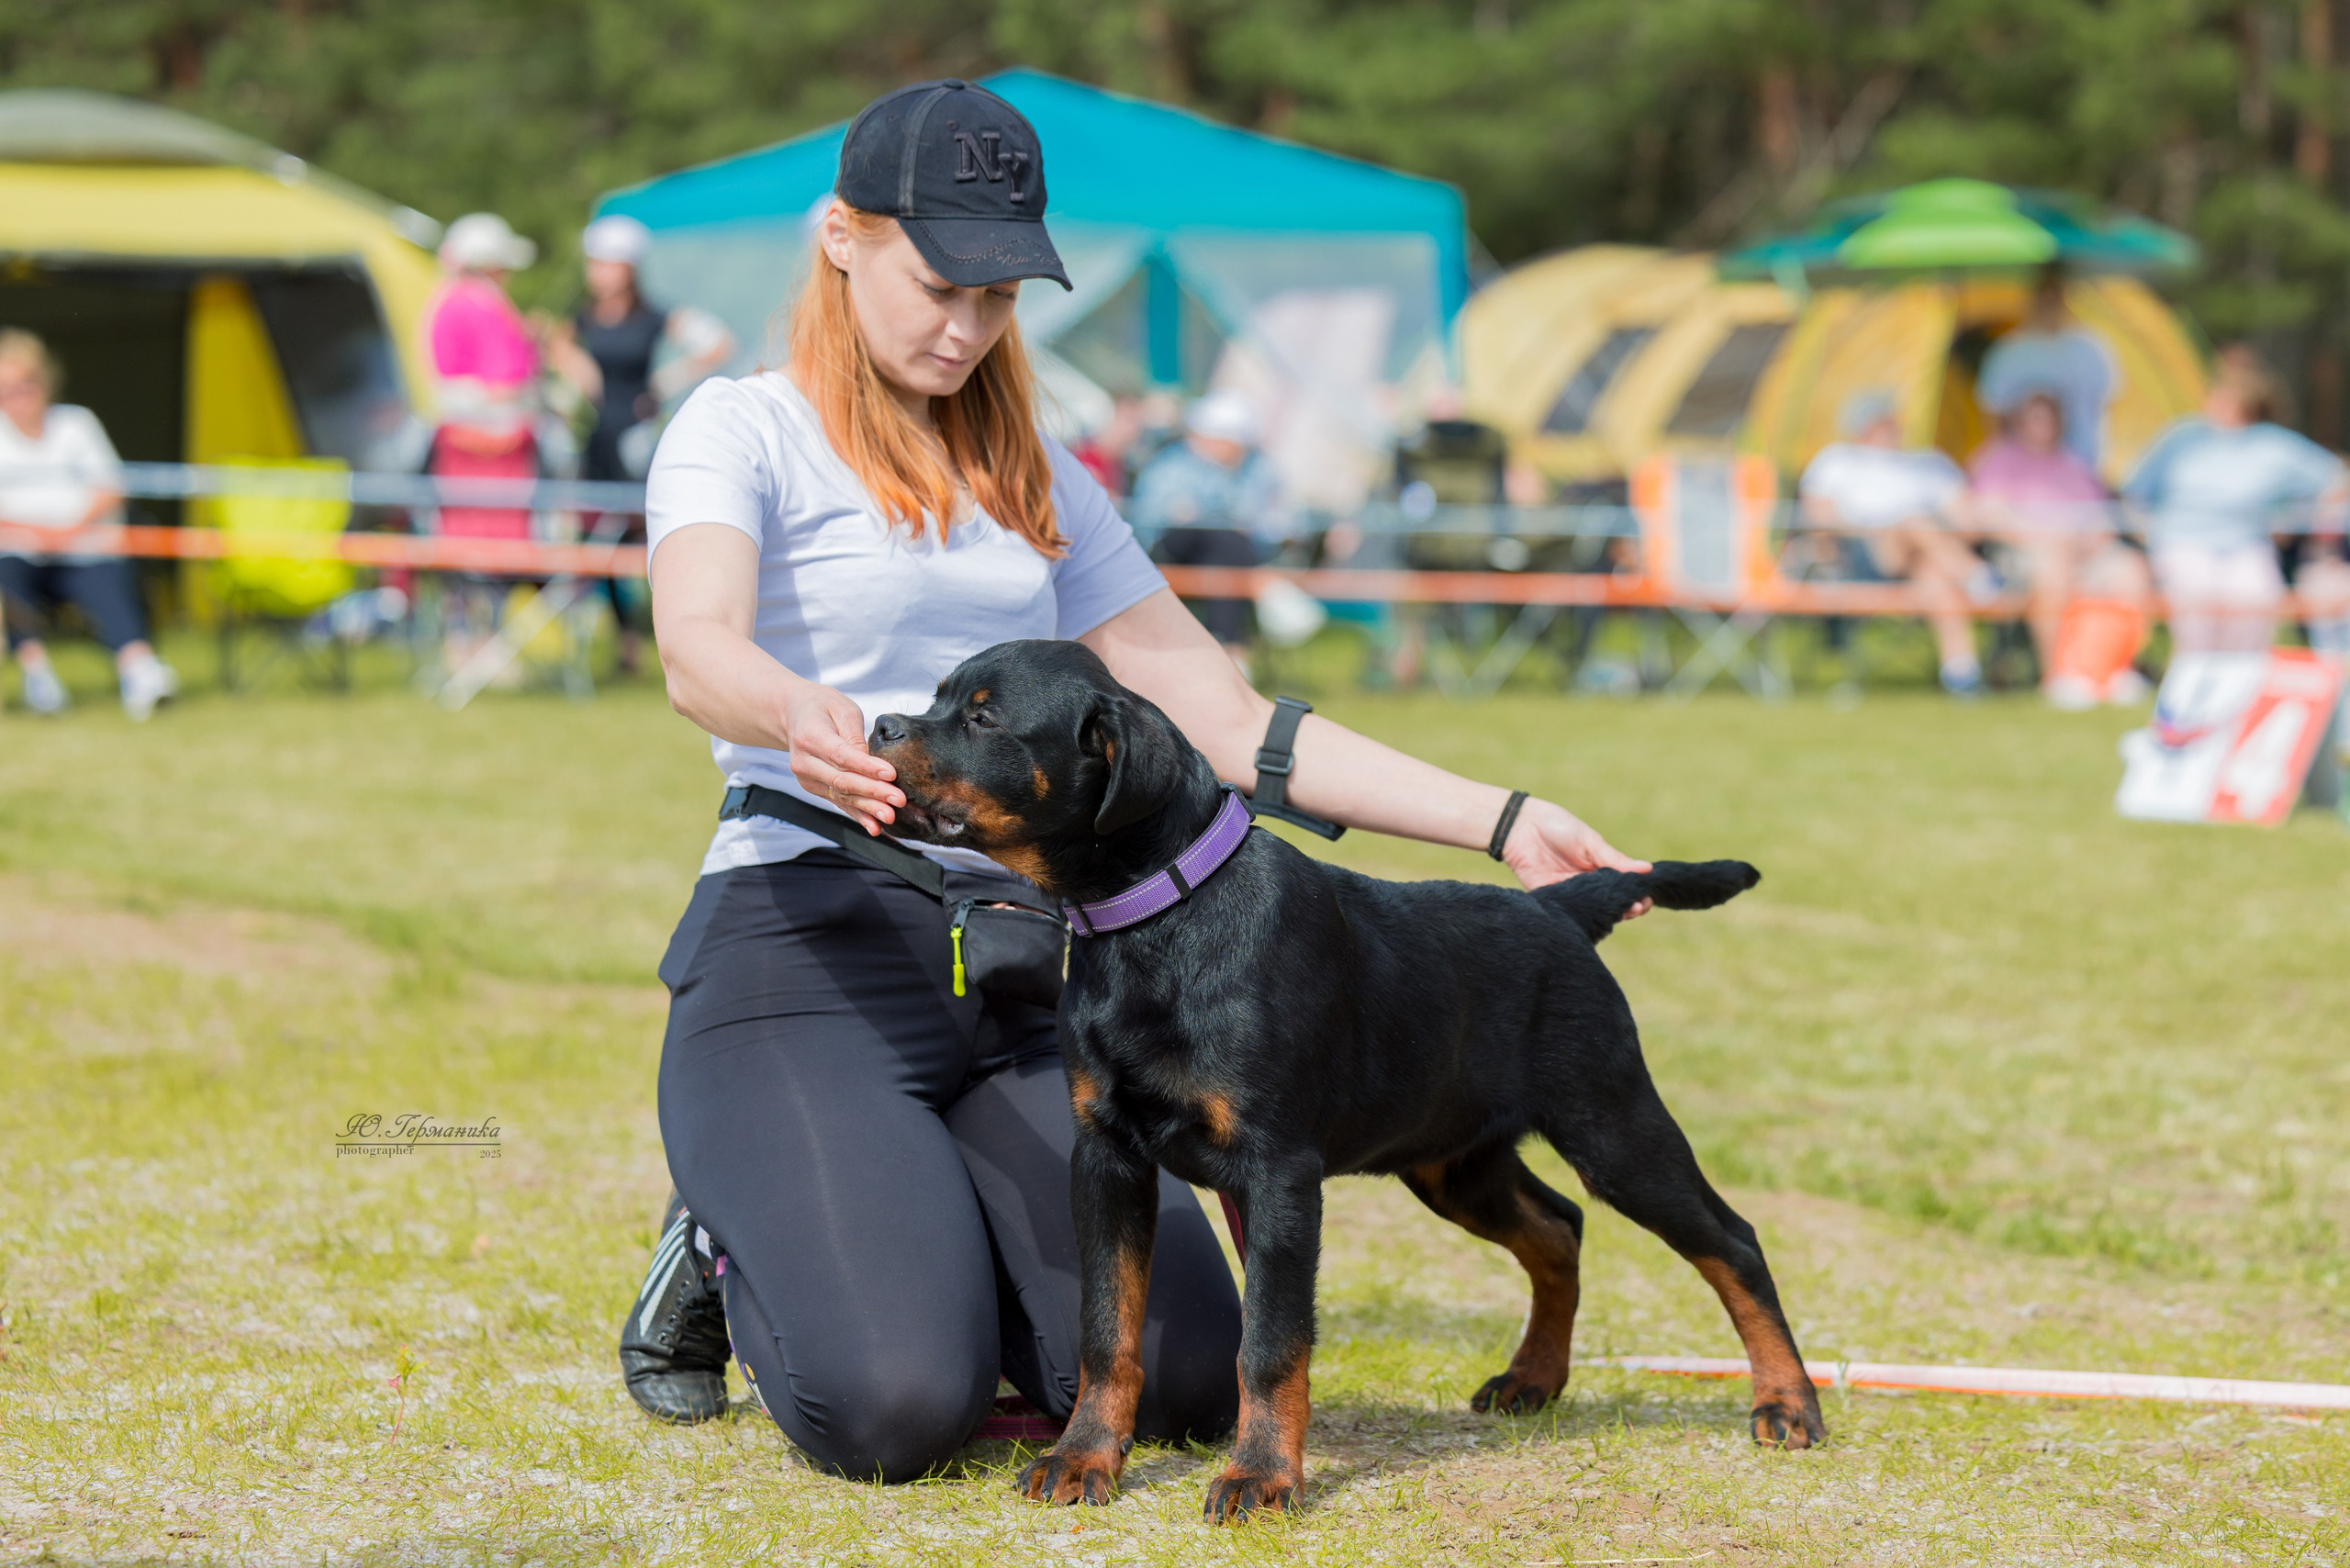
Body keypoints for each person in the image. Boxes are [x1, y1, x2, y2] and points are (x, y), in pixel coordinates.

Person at [621, 78, 1653, 1486]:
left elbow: (1225, 719)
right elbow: (696, 647)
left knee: (1173, 1386)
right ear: (842, 239)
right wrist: (790, 706)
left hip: (1024, 971)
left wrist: (1508, 823)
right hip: (807, 946)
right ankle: (724, 1231)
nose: (967, 328)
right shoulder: (740, 427)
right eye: (939, 286)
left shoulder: (1041, 476)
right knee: (894, 1407)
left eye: (999, 296)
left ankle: (901, 1218)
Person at [545, 214, 736, 675]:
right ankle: (624, 643)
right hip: (597, 440)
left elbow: (718, 344)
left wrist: (663, 384)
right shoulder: (582, 317)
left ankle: (680, 638)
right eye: (594, 263)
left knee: (651, 540)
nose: (598, 272)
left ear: (628, 268)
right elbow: (554, 345)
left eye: (607, 263)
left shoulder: (654, 317)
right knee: (598, 539)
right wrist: (579, 374)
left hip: (636, 444)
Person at [0, 330, 178, 719]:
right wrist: (38, 533)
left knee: (105, 575)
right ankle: (38, 676)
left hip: (82, 548)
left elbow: (112, 487)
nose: (18, 397)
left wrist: (68, 531)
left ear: (45, 380)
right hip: (19, 553)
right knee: (6, 576)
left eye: (26, 384)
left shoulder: (75, 424)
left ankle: (140, 669)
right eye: (7, 389)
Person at [2123, 348, 2346, 654]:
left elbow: (2334, 477)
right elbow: (2134, 492)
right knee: (2197, 593)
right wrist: (2146, 535)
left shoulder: (2271, 444)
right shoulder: (2183, 437)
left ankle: (2242, 672)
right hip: (2182, 541)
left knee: (2255, 593)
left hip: (2246, 544)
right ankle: (2197, 666)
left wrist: (2310, 525)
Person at [1966, 390, 2153, 706]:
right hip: (2025, 553)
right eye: (2035, 418)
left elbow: (2101, 513)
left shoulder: (2073, 462)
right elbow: (1987, 515)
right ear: (2018, 422)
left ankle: (2117, 669)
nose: (2044, 425)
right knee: (2053, 568)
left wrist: (2095, 537)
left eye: (2049, 418)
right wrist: (2044, 539)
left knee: (2130, 570)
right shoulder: (1999, 460)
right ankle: (2059, 674)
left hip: (2083, 552)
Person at [1797, 389, 1988, 694]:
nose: (1890, 427)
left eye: (1891, 420)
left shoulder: (1929, 462)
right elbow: (1820, 521)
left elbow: (1969, 522)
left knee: (1933, 571)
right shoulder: (1837, 460)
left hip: (1928, 554)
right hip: (1862, 554)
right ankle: (1976, 575)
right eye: (1880, 422)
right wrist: (1875, 528)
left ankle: (1961, 672)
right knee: (1914, 521)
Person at [423, 213, 542, 666]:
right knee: (486, 554)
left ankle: (472, 644)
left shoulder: (448, 301)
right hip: (490, 451)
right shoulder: (477, 304)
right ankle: (479, 646)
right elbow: (503, 382)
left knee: (469, 553)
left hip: (473, 448)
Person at [1129, 391, 1286, 672]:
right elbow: (1148, 520)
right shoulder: (1171, 465)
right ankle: (1240, 634)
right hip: (1171, 551)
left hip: (1224, 557)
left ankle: (1228, 648)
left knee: (1222, 550)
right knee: (1217, 534)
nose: (1240, 451)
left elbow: (1275, 522)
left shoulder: (1256, 469)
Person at [1977, 268, 2118, 473]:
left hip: (2081, 466)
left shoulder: (2092, 349)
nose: (2048, 304)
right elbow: (1992, 418)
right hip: (2021, 474)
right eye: (2043, 297)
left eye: (2053, 296)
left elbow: (2106, 409)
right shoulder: (2008, 353)